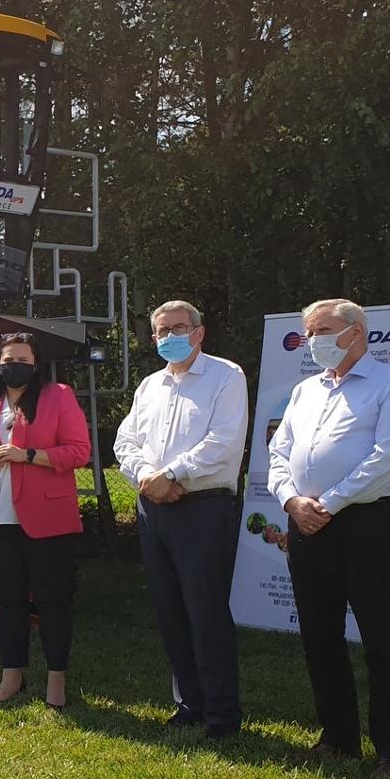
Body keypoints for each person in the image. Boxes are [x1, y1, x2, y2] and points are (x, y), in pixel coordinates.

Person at [267, 298, 390, 778]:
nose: (314, 339)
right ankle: (338, 739)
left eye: (323, 329)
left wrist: (329, 504)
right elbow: (279, 452)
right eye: (309, 331)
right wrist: (292, 502)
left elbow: (389, 457)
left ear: (356, 332)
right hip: (306, 523)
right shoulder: (304, 391)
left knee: (381, 639)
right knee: (319, 637)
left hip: (365, 525)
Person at [114, 301, 249, 740]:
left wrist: (171, 474)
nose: (169, 335)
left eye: (178, 327)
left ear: (199, 333)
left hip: (202, 507)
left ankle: (222, 715)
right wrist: (147, 478)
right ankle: (189, 703)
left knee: (205, 612)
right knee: (170, 611)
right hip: (153, 509)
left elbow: (224, 441)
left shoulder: (226, 376)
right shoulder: (150, 385)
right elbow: (125, 440)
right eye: (160, 330)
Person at [0, 332, 91, 711]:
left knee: (52, 600)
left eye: (23, 359)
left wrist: (27, 454)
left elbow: (79, 452)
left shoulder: (58, 395)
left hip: (48, 517)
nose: (15, 365)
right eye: (8, 358)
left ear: (36, 364)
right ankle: (11, 675)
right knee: (7, 602)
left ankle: (57, 680)